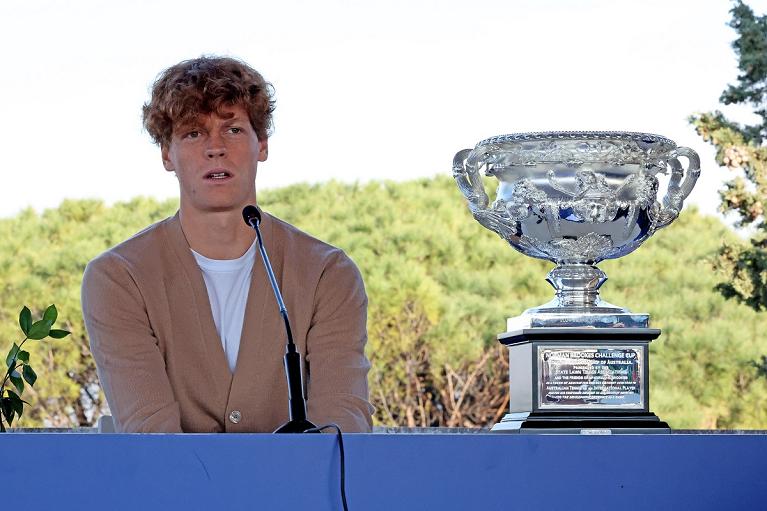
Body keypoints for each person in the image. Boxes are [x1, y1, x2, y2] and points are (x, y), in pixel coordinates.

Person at [81, 56, 374, 433]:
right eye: (193, 133)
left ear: (262, 144)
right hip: (174, 491)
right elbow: (151, 436)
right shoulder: (119, 278)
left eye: (233, 130)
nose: (215, 148)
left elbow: (341, 429)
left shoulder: (327, 274)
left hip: (297, 492)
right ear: (167, 154)